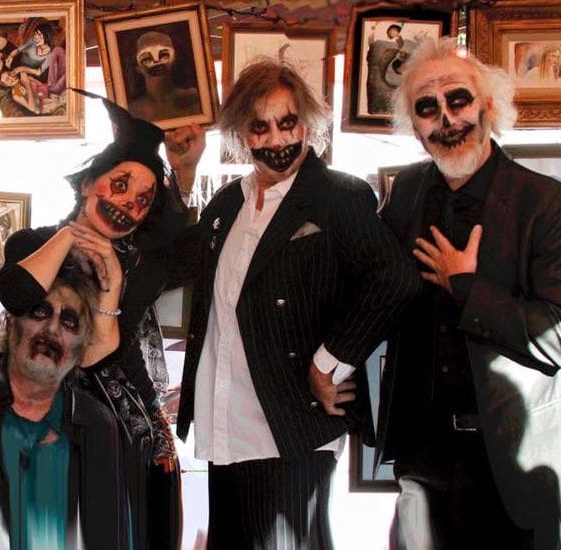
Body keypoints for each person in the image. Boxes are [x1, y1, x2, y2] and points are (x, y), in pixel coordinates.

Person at [166, 59, 419, 548]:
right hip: (225, 425)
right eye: (260, 127)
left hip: (290, 424)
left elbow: (394, 279)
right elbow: (175, 262)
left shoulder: (337, 195)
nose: (277, 139)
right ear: (241, 133)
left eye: (287, 122)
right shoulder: (229, 203)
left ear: (306, 124)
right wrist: (183, 171)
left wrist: (329, 364)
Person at [377, 37, 561, 548]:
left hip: (516, 465)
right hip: (425, 464)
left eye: (458, 99)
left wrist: (468, 287)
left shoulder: (550, 203)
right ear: (415, 128)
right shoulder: (405, 194)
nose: (446, 118)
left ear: (489, 108)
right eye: (427, 107)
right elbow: (372, 288)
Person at [0, 91, 189, 549]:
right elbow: (18, 294)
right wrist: (70, 236)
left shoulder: (141, 267)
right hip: (35, 417)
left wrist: (113, 283)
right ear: (87, 184)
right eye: (119, 185)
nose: (127, 204)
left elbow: (100, 354)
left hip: (125, 427)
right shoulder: (32, 243)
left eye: (142, 200)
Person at [0, 258, 128, 549]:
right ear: (11, 320)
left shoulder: (97, 424)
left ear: (82, 347)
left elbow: (106, 537)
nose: (52, 329)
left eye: (69, 321)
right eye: (40, 312)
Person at [128, 30, 201, 123]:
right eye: (146, 58)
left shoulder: (193, 98)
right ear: (138, 67)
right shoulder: (134, 110)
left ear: (174, 58)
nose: (156, 61)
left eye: (163, 55)